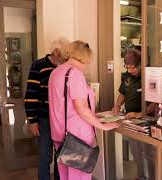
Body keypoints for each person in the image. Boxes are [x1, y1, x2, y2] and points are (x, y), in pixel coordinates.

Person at [48, 40, 119, 180]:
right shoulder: (75, 74)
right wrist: (101, 126)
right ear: (84, 57)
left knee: (65, 175)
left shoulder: (56, 72)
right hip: (77, 136)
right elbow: (81, 108)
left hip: (59, 133)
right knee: (79, 176)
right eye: (89, 60)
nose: (89, 64)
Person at [24, 38, 69, 180]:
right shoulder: (39, 65)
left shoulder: (65, 67)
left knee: (61, 155)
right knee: (45, 156)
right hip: (44, 119)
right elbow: (30, 95)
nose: (66, 58)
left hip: (62, 119)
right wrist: (32, 121)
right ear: (55, 52)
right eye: (64, 54)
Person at [113, 49, 155, 180]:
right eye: (127, 67)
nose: (130, 70)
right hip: (130, 120)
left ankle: (152, 177)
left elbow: (156, 102)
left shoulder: (149, 77)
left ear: (140, 64)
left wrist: (139, 114)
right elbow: (122, 93)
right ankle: (141, 176)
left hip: (146, 120)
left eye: (133, 68)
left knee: (148, 153)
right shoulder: (127, 76)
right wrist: (117, 105)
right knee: (136, 151)